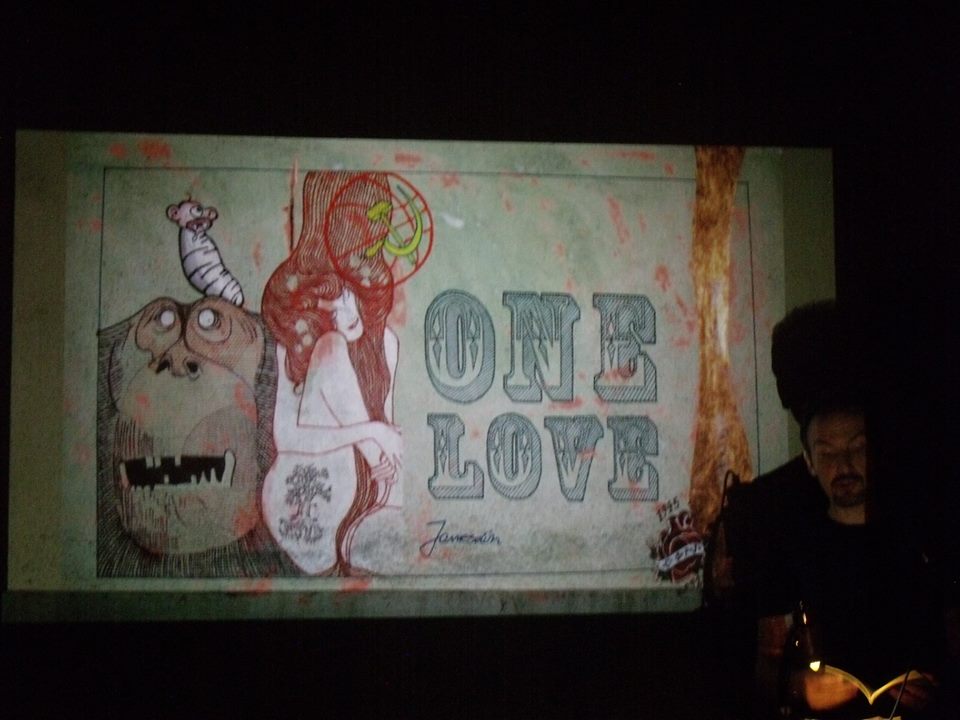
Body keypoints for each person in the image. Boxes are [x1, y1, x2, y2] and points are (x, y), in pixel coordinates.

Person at [261, 171, 403, 575]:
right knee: (331, 347)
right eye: (328, 299)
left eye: (350, 293)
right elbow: (287, 438)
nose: (341, 311)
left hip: (366, 505)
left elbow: (391, 440)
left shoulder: (386, 344)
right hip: (307, 498)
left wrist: (383, 448)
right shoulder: (303, 340)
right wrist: (369, 434)